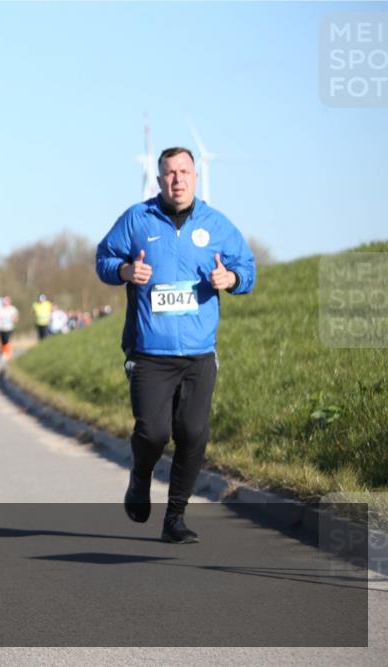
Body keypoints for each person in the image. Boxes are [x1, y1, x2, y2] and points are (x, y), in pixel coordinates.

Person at [96, 146, 256, 543]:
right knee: (152, 433)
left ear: (196, 176)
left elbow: (247, 269)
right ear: (159, 179)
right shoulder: (137, 218)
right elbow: (103, 258)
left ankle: (176, 517)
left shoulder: (216, 224)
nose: (178, 179)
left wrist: (231, 281)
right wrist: (124, 270)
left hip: (199, 354)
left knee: (193, 433)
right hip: (150, 352)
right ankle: (140, 476)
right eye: (170, 173)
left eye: (185, 171)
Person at [0, 296, 18, 362]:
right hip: (1, 328)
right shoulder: (1, 309)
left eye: (7, 301)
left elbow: (16, 318)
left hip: (9, 327)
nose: (6, 302)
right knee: (3, 341)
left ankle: (7, 354)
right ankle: (3, 353)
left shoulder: (12, 309)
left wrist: (14, 319)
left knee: (7, 340)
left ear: (9, 302)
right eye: (5, 301)